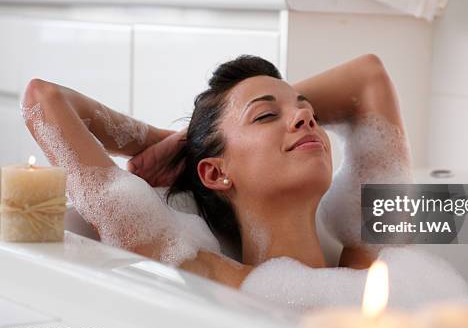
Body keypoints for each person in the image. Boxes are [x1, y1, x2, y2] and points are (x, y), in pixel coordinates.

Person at [21, 54, 410, 289]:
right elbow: (44, 99)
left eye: (307, 110)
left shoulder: (371, 261)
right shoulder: (209, 275)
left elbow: (368, 75)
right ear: (214, 173)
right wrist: (164, 141)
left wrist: (190, 136)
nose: (306, 117)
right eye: (266, 115)